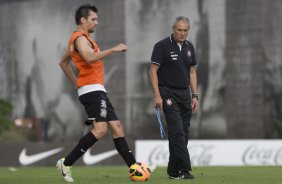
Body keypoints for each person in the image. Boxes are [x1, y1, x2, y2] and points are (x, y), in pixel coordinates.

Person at [56, 4, 155, 182]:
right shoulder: (79, 39)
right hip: (92, 91)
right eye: (93, 19)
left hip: (95, 89)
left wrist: (76, 82)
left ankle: (134, 168)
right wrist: (113, 49)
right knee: (100, 130)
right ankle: (66, 163)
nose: (97, 22)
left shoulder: (79, 39)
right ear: (82, 20)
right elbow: (89, 57)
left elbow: (63, 62)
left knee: (117, 128)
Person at [149, 16, 198, 180]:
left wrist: (195, 95)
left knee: (183, 133)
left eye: (185, 30)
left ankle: (172, 171)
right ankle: (185, 170)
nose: (182, 33)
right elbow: (153, 71)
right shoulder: (161, 46)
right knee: (177, 131)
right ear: (173, 28)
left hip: (185, 93)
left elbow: (192, 72)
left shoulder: (190, 47)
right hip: (168, 93)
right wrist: (157, 95)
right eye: (179, 30)